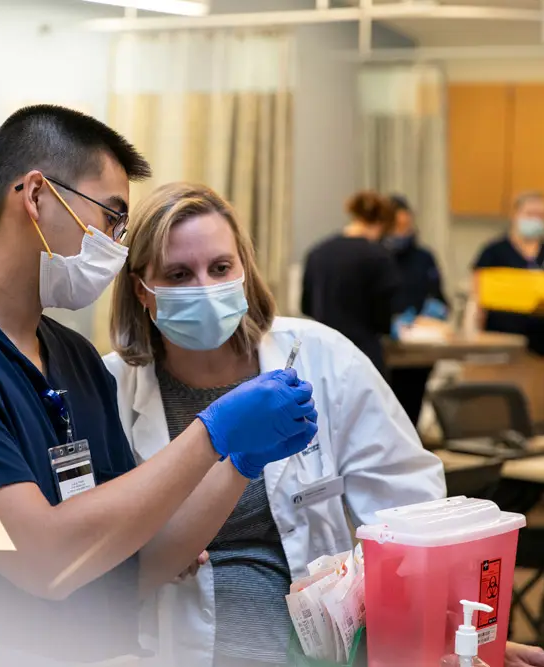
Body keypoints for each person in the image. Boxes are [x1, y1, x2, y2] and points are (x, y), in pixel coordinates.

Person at [0, 106, 318, 662]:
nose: (117, 248)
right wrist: (211, 433)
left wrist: (239, 463)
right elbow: (37, 557)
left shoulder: (72, 359)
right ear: (36, 196)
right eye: (111, 218)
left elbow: (143, 556)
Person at [104, 182, 445, 667]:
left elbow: (411, 510)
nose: (205, 288)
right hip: (167, 649)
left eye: (220, 268)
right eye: (179, 274)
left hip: (313, 650)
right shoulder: (108, 389)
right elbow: (94, 557)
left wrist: (439, 628)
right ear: (142, 289)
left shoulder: (323, 358)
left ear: (244, 269)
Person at [301, 191, 400, 376]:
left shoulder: (317, 252)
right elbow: (383, 318)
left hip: (323, 357)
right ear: (381, 224)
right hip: (363, 358)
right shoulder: (379, 256)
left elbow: (306, 306)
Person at [384, 194, 449, 426]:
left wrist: (435, 311)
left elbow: (439, 296)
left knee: (411, 410)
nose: (403, 232)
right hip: (384, 346)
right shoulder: (375, 256)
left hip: (418, 347)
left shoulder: (423, 257)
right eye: (397, 226)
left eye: (406, 226)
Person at [473, 191, 544, 356]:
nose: (535, 220)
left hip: (541, 342)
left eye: (540, 215)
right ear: (515, 214)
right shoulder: (494, 252)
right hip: (501, 337)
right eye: (530, 214)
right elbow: (477, 296)